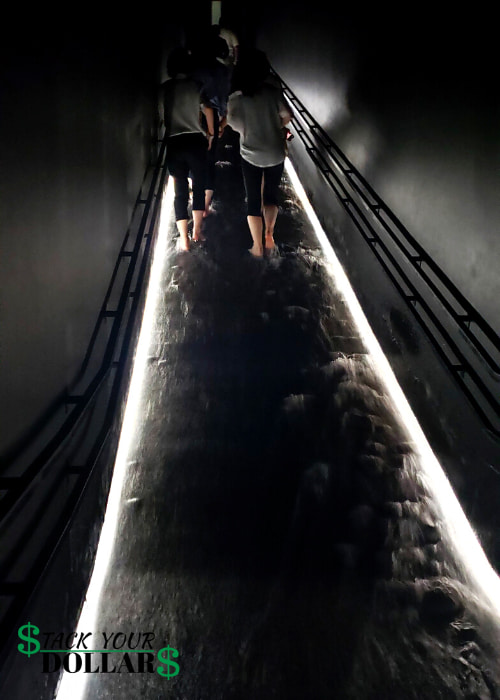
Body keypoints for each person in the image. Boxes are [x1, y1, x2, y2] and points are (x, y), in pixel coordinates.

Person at [225, 49, 293, 257]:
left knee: (253, 199)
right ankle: (269, 235)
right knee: (271, 195)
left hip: (251, 155)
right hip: (275, 153)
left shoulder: (237, 99)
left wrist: (248, 129)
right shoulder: (273, 94)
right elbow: (287, 116)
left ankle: (257, 246)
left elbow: (233, 124)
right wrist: (275, 126)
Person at [162, 47, 215, 251]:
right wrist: (210, 133)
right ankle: (197, 233)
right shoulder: (196, 86)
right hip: (195, 141)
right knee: (199, 187)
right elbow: (208, 108)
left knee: (180, 191)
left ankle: (183, 239)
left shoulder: (165, 88)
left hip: (174, 142)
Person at [191, 36, 231, 216]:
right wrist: (221, 124)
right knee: (209, 160)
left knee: (194, 159)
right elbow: (225, 98)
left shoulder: (193, 68)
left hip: (193, 114)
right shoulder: (222, 70)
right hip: (212, 115)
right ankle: (205, 205)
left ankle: (195, 199)